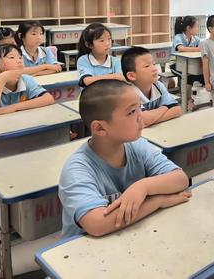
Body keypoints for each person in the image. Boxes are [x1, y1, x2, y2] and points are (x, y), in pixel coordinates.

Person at [58, 80, 190, 238]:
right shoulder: (77, 170)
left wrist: (143, 187)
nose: (141, 116)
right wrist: (158, 201)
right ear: (100, 128)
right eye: (131, 112)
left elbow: (181, 179)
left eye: (140, 107)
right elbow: (97, 224)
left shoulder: (138, 146)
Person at [0, 44, 54, 117]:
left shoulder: (26, 79)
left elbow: (48, 98)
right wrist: (1, 80)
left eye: (20, 57)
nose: (19, 61)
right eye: (12, 57)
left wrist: (13, 107)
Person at [121, 46, 182, 127]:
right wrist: (166, 107)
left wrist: (152, 119)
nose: (154, 69)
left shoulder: (158, 85)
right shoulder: (129, 94)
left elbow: (177, 109)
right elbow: (144, 120)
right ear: (131, 76)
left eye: (154, 64)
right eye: (147, 66)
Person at [76, 23, 124, 88]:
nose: (107, 43)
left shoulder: (116, 61)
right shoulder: (83, 60)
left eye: (109, 38)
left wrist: (117, 77)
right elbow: (87, 81)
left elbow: (122, 78)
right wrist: (115, 76)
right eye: (102, 40)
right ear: (89, 45)